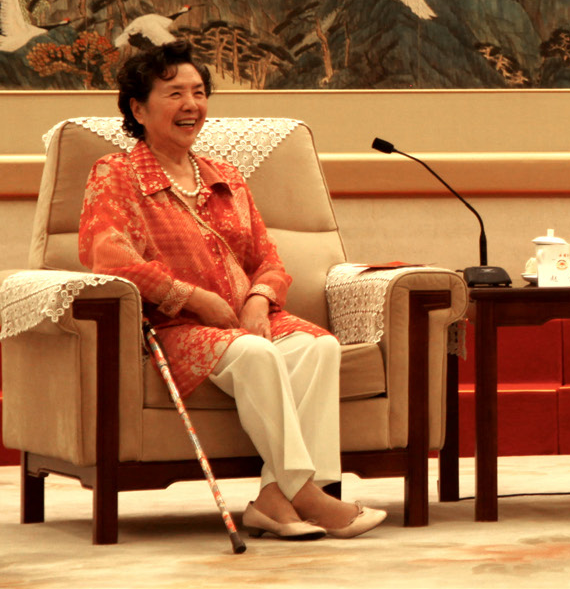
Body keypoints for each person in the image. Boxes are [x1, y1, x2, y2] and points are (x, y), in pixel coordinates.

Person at [78, 41, 386, 541]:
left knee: (319, 346)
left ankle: (273, 502)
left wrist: (259, 300)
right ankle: (310, 496)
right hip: (176, 327)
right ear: (138, 108)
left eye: (199, 92)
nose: (191, 104)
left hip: (245, 319)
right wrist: (193, 298)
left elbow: (269, 259)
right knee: (255, 354)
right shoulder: (116, 174)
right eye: (174, 93)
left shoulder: (228, 179)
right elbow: (109, 257)